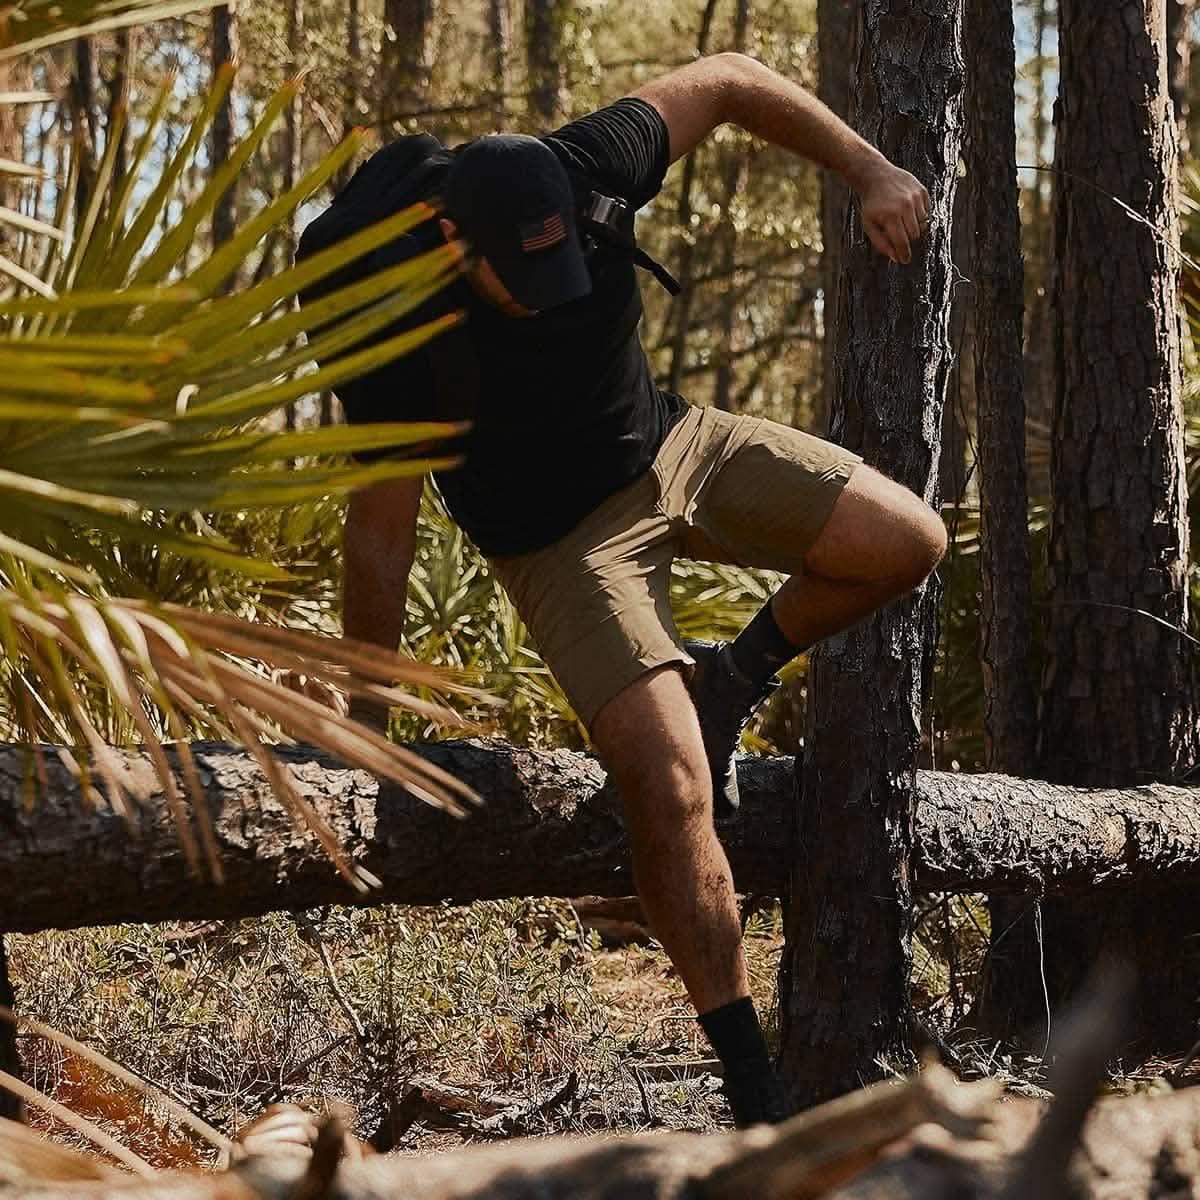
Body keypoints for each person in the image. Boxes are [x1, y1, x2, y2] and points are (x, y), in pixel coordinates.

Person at [329, 52, 946, 1126]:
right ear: (449, 244)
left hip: (672, 446)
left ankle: (731, 678)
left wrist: (872, 168)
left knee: (909, 540)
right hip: (564, 543)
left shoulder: (589, 162)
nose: (543, 301)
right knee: (670, 788)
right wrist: (365, 727)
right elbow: (381, 535)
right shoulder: (392, 316)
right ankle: (754, 1084)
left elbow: (737, 78)